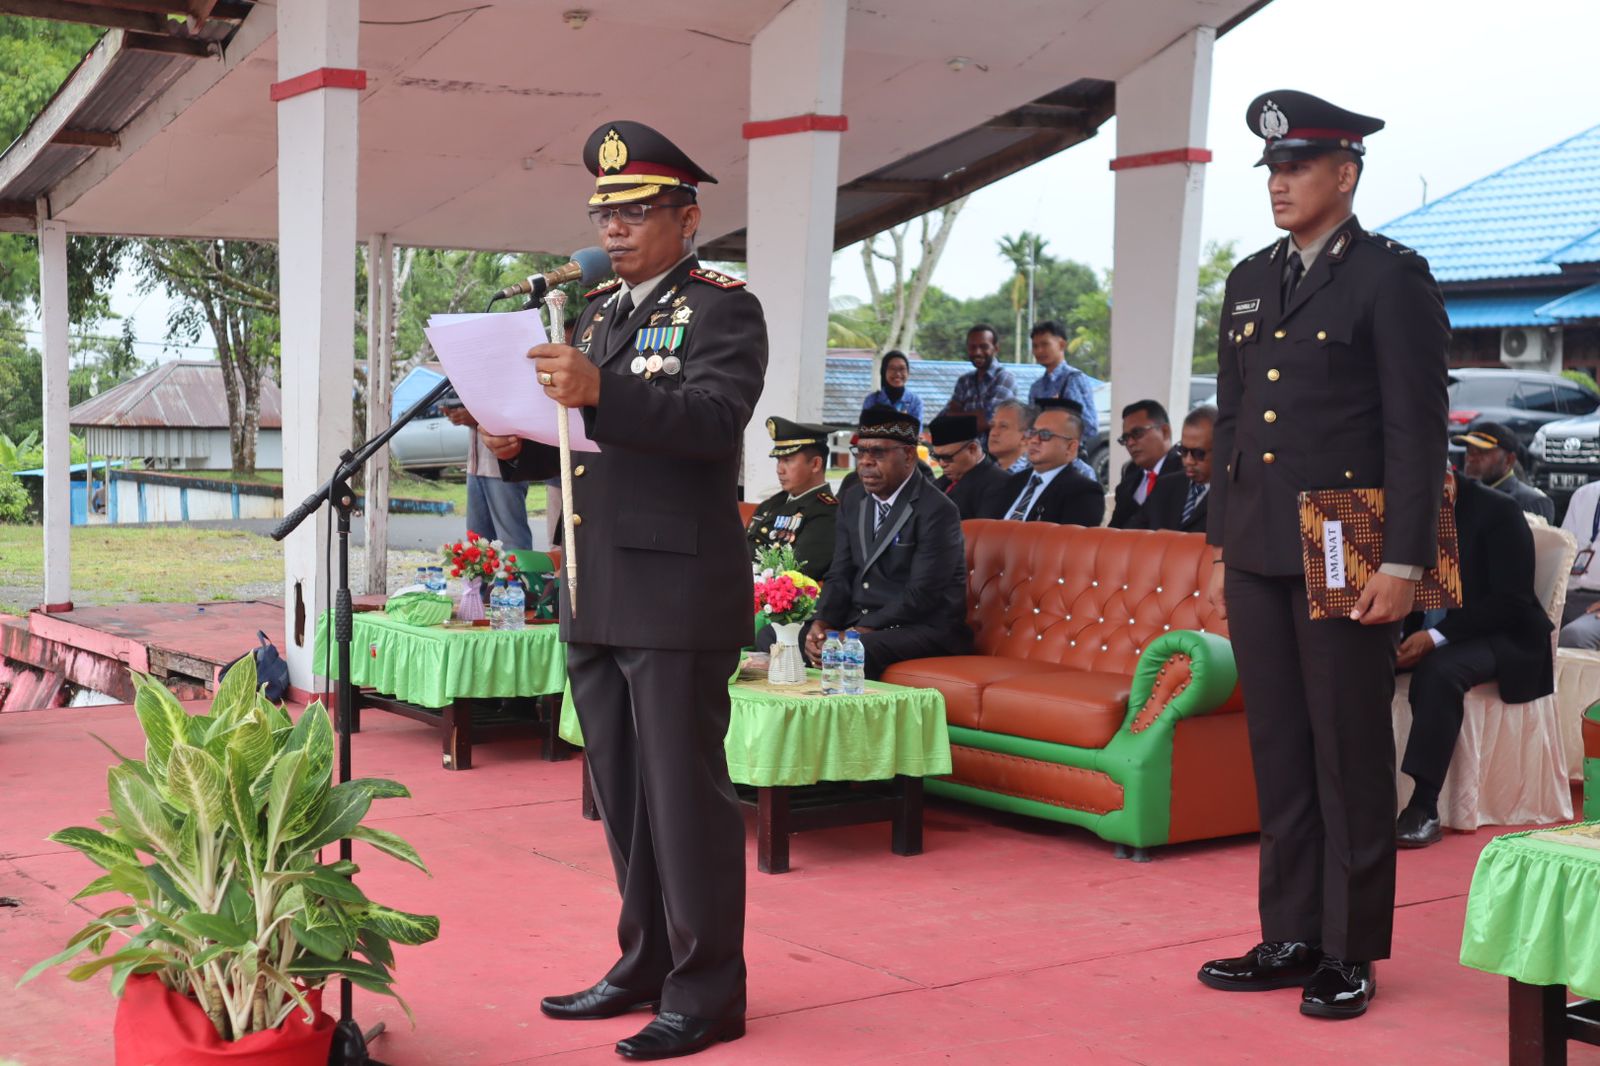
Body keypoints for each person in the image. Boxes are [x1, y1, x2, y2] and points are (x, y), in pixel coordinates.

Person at [484, 120, 762, 1059]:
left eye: (638, 210)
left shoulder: (724, 307)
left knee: (686, 801)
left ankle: (709, 989)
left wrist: (599, 390)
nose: (616, 227)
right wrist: (517, 446)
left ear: (687, 218)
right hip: (596, 584)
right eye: (606, 210)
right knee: (625, 799)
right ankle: (644, 962)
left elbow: (711, 420)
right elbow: (588, 455)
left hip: (677, 588)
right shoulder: (598, 310)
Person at [1197, 90, 1450, 1020]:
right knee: (1280, 748)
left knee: (1346, 748)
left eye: (1297, 168)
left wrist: (1405, 563)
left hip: (1349, 546)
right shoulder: (1250, 279)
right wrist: (1222, 543)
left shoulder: (1391, 277)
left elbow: (1417, 435)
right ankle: (1290, 931)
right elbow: (1232, 421)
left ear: (1345, 174)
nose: (1279, 184)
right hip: (1262, 544)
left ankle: (1349, 948)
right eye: (1270, 170)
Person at [1394, 471, 1554, 848]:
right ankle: (1359, 792)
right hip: (1427, 628)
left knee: (1439, 672)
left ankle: (1424, 806)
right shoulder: (1399, 510)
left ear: (1447, 481)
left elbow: (1511, 601)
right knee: (1354, 661)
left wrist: (1433, 639)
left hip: (1501, 634)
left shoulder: (1499, 510)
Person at [806, 406, 972, 678]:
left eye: (878, 453)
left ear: (908, 455)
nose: (865, 462)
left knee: (855, 650)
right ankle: (802, 716)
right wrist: (822, 622)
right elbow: (840, 573)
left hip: (922, 626)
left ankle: (850, 721)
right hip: (862, 622)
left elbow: (922, 594)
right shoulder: (853, 499)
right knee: (782, 636)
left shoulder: (937, 510)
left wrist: (860, 629)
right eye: (861, 451)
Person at [746, 416, 838, 581]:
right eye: (778, 460)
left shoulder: (827, 512)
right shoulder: (772, 503)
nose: (779, 470)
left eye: (788, 460)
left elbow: (797, 573)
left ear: (816, 464)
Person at [985, 401, 1104, 526]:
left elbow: (1069, 543)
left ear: (1070, 447)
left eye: (1045, 435)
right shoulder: (1013, 482)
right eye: (1033, 432)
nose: (1034, 440)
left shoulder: (1084, 491)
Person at [441, 397, 534, 549]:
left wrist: (477, 416)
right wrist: (457, 412)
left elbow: (517, 406)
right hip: (475, 465)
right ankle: (482, 574)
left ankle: (520, 574)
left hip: (504, 467)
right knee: (478, 545)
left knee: (512, 544)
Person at [1453, 422, 1555, 522]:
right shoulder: (1455, 495)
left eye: (1482, 451)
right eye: (1469, 451)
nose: (1471, 458)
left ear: (1509, 460)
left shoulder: (1531, 501)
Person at [1139, 405, 1215, 533]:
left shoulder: (1237, 497)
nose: (1188, 461)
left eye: (1198, 453)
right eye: (1183, 451)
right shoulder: (1164, 486)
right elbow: (1134, 531)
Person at [1109, 400, 1183, 529]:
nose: (1130, 443)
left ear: (1165, 431)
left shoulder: (1184, 472)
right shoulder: (1129, 476)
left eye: (1137, 433)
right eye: (1125, 438)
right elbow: (1115, 529)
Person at [1027, 320, 1099, 439]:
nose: (1039, 351)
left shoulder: (1074, 379)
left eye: (1045, 344)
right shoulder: (1036, 387)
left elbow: (1090, 427)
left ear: (1061, 345)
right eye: (1035, 346)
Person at [929, 413, 1008, 520]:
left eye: (947, 457)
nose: (942, 464)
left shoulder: (998, 484)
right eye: (937, 457)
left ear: (972, 449)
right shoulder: (942, 481)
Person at [941, 324, 1017, 430]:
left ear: (996, 348)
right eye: (972, 347)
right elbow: (943, 419)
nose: (977, 352)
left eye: (984, 347)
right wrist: (976, 416)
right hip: (963, 446)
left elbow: (989, 420)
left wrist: (956, 415)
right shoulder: (964, 381)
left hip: (991, 447)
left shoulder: (1004, 378)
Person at [1558, 478, 1600, 649]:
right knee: (1518, 626)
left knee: (1575, 637)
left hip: (1596, 603)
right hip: (1569, 596)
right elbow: (1563, 554)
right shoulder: (1584, 494)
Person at [860, 350, 924, 431]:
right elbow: (864, 431)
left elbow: (917, 433)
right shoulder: (872, 400)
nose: (897, 373)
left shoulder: (914, 402)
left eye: (902, 369)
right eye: (892, 368)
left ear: (908, 372)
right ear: (883, 372)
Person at [987, 399, 1035, 475]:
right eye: (992, 426)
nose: (993, 433)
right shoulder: (986, 472)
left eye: (1003, 426)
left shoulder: (1032, 475)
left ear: (1025, 437)